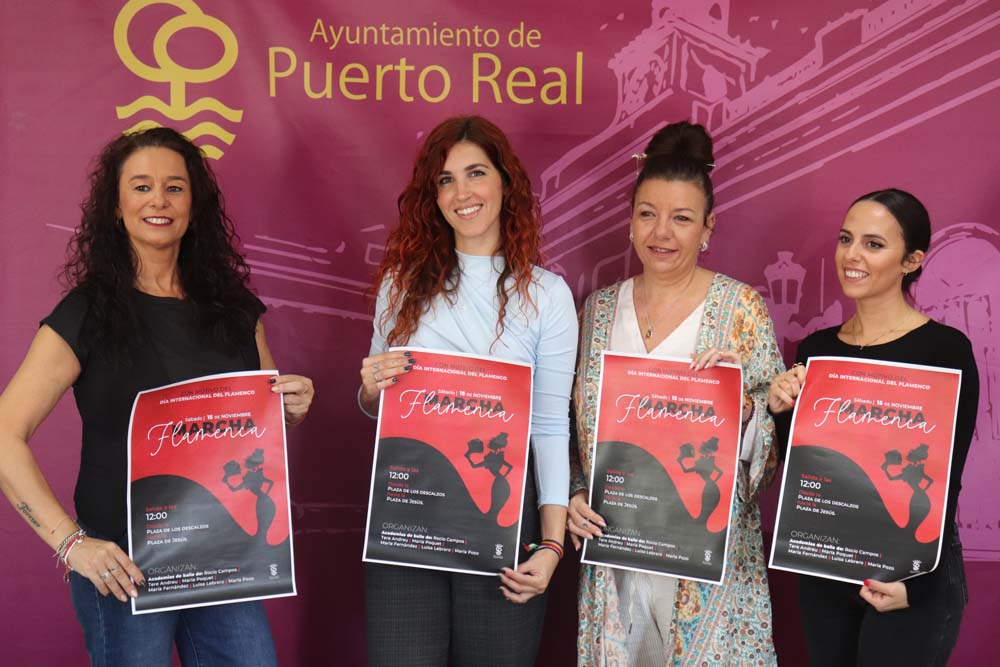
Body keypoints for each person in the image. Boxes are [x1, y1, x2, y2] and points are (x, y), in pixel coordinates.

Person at [0, 127, 314, 666]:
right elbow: (5, 433)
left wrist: (292, 408)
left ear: (195, 204)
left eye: (175, 187)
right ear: (117, 207)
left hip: (224, 555)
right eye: (141, 186)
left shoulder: (235, 310)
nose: (159, 201)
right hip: (125, 563)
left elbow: (260, 433)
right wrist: (71, 544)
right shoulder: (88, 312)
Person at [357, 115, 577, 666]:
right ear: (432, 197)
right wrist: (368, 390)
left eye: (476, 173)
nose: (462, 193)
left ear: (507, 182)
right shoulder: (400, 285)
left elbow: (550, 427)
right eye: (445, 180)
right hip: (408, 517)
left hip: (502, 516)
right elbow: (380, 409)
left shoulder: (547, 296)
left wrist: (550, 546)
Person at [567, 121, 784, 666]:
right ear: (630, 220)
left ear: (708, 227)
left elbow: (775, 441)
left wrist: (747, 409)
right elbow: (573, 428)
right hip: (616, 552)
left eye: (682, 218)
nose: (662, 232)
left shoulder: (739, 310)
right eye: (648, 213)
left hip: (709, 561)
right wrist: (573, 494)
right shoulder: (596, 311)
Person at [767, 188, 979, 667]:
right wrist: (782, 410)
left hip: (907, 579)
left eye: (873, 244)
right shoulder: (815, 349)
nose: (852, 256)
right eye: (846, 239)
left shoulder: (945, 352)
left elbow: (947, 479)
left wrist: (919, 584)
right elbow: (805, 470)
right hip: (825, 575)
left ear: (912, 260)